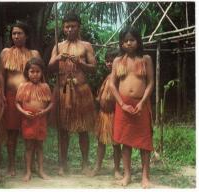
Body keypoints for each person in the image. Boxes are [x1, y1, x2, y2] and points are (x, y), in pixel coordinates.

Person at [48, 13, 97, 175]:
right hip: (62, 91)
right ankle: (63, 165)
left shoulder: (86, 45)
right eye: (67, 26)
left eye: (73, 26)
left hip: (81, 90)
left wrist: (80, 63)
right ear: (63, 28)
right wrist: (57, 59)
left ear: (78, 27)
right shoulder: (58, 46)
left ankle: (84, 164)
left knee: (83, 129)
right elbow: (49, 68)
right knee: (63, 129)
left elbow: (94, 68)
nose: (70, 29)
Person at [109, 26, 154, 188]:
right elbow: (112, 85)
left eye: (132, 40)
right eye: (125, 40)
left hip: (141, 104)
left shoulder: (145, 59)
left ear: (138, 41)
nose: (129, 43)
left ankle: (145, 177)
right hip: (123, 105)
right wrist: (121, 104)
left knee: (144, 141)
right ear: (121, 43)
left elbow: (150, 83)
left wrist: (142, 102)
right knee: (125, 141)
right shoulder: (117, 61)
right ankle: (127, 175)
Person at [0, 21, 41, 176]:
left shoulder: (34, 54)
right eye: (14, 33)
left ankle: (32, 166)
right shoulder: (5, 53)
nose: (16, 36)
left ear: (26, 35)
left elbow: (40, 75)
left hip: (30, 98)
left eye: (19, 33)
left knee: (32, 133)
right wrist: (2, 94)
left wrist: (41, 97)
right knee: (12, 133)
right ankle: (11, 166)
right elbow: (1, 74)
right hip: (11, 96)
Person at [15, 57, 53, 182]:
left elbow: (51, 103)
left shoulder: (45, 86)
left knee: (40, 146)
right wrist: (23, 112)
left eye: (37, 72)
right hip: (28, 120)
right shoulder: (23, 86)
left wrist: (45, 111)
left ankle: (41, 170)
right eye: (32, 71)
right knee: (29, 146)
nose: (35, 74)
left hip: (41, 119)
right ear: (27, 72)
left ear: (42, 73)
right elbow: (17, 103)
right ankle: (28, 171)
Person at [89, 49, 122, 179]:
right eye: (107, 61)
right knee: (101, 142)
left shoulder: (119, 77)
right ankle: (97, 166)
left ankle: (117, 169)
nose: (109, 63)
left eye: (111, 61)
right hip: (103, 115)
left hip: (115, 115)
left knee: (116, 144)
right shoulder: (108, 77)